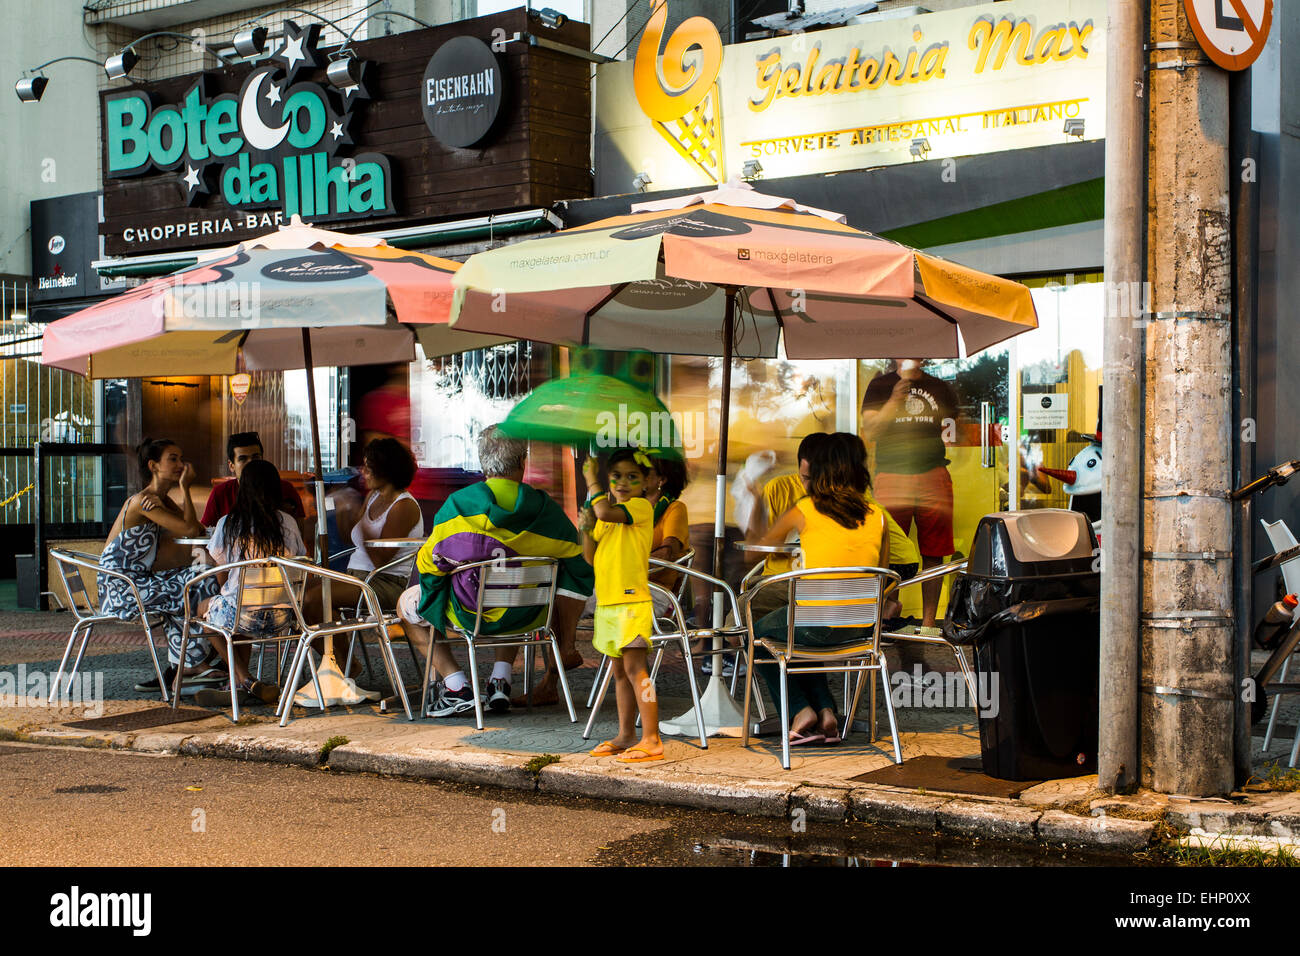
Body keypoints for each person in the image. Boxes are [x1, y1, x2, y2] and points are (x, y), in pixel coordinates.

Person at [395, 425, 592, 716]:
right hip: (528, 616)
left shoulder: (459, 506)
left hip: (470, 614)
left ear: (483, 464)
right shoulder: (546, 511)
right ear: (522, 464)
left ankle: (456, 686)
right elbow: (577, 565)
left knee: (405, 605)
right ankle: (499, 680)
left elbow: (429, 563)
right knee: (509, 587)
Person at [750, 432, 890, 744]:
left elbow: (758, 549)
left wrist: (754, 499)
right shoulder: (877, 516)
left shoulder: (805, 508)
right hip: (863, 627)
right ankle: (827, 712)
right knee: (798, 637)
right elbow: (884, 575)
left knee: (757, 635)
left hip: (816, 621)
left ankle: (801, 710)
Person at [101, 438, 222, 694]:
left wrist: (182, 490)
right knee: (198, 582)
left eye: (181, 458)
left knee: (200, 576)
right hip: (122, 588)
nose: (181, 464)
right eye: (173, 459)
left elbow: (196, 528)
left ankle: (185, 667)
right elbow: (191, 529)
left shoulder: (162, 500)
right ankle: (193, 666)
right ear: (154, 465)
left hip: (140, 581)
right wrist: (186, 487)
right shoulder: (144, 501)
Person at [194, 460, 306, 708]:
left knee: (207, 613)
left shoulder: (228, 523)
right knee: (230, 613)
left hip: (241, 616)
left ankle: (244, 679)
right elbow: (299, 561)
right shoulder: (288, 522)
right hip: (284, 616)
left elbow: (221, 573)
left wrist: (227, 596)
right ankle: (240, 683)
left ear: (242, 489)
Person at [302, 438, 423, 665]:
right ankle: (339, 663)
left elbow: (379, 559)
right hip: (356, 577)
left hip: (384, 583)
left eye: (368, 466)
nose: (363, 471)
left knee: (312, 599)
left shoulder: (404, 506)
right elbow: (354, 540)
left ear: (384, 469)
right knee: (296, 594)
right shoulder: (374, 496)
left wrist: (359, 518)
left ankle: (341, 665)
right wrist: (342, 513)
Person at [861, 359, 959, 628]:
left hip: (933, 473)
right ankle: (887, 618)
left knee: (934, 551)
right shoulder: (880, 385)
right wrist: (894, 399)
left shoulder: (939, 387)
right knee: (887, 550)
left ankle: (928, 624)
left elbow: (949, 430)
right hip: (891, 475)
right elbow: (871, 430)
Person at [581, 449, 663, 763]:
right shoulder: (609, 514)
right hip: (609, 604)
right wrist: (586, 526)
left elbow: (602, 512)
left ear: (648, 483)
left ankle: (651, 737)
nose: (623, 483)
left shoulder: (639, 508)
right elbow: (590, 555)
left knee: (636, 670)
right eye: (616, 476)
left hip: (631, 603)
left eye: (633, 477)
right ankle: (626, 733)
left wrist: (591, 482)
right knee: (619, 673)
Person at [201, 431, 306, 534]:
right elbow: (204, 533)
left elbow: (300, 532)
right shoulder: (220, 493)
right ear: (231, 465)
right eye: (243, 459)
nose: (251, 463)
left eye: (255, 457)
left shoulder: (285, 488)